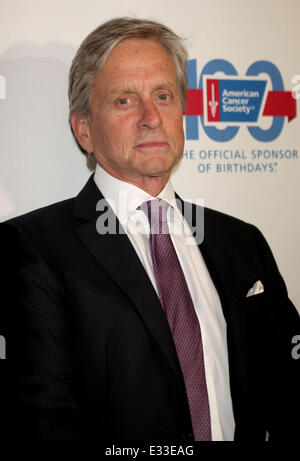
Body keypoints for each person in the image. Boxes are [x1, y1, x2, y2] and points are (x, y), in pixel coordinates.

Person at [1, 17, 299, 442]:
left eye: (164, 95)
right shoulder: (31, 248)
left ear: (182, 111)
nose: (151, 117)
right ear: (84, 129)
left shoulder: (242, 240)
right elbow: (43, 420)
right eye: (125, 100)